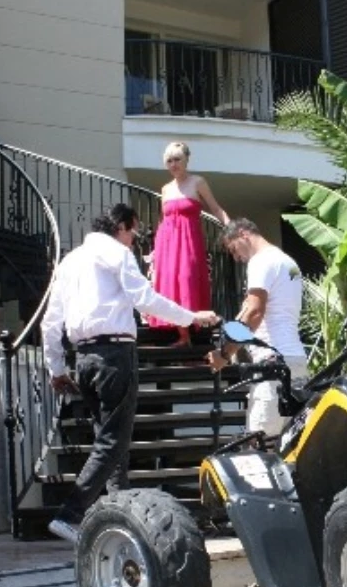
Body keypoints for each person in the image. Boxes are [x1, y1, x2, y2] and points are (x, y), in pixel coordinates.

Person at [42, 204, 219, 542]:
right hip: (115, 356)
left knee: (111, 443)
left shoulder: (69, 260)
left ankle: (117, 515)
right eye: (134, 233)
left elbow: (51, 321)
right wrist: (191, 317)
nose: (134, 241)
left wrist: (56, 368)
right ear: (122, 226)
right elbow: (145, 298)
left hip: (84, 359)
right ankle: (71, 514)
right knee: (113, 442)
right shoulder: (117, 254)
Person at [207, 219, 307, 438]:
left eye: (233, 249)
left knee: (259, 443)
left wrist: (225, 353)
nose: (236, 258)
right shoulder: (287, 261)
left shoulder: (260, 261)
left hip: (273, 365)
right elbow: (252, 308)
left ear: (243, 234)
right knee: (291, 444)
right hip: (296, 360)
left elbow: (254, 313)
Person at [147, 142, 228, 347]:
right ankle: (182, 334)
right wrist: (157, 249)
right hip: (168, 241)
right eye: (169, 160)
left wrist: (231, 227)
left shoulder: (198, 182)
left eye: (177, 159)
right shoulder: (165, 189)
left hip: (189, 241)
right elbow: (162, 220)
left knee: (187, 279)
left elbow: (216, 209)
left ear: (186, 160)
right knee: (170, 283)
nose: (173, 164)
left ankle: (192, 330)